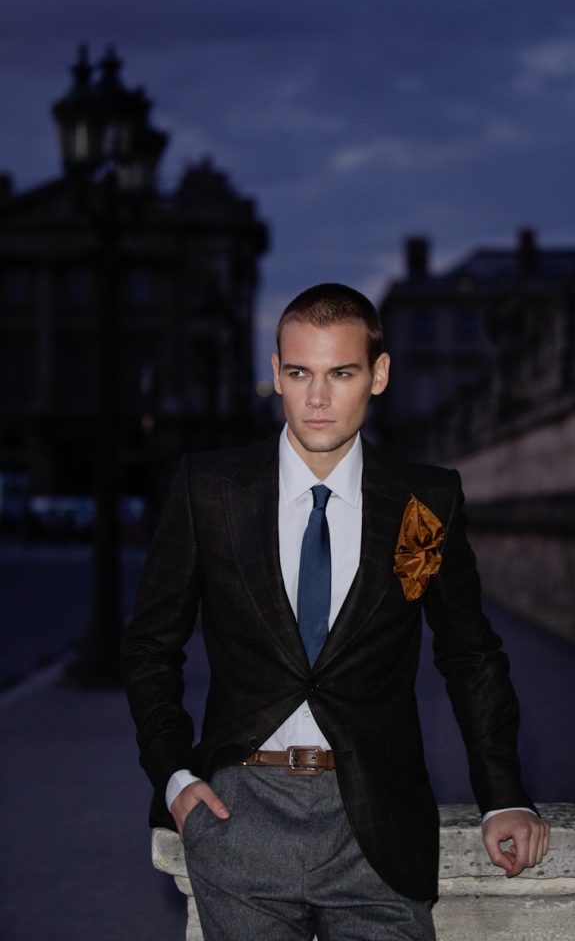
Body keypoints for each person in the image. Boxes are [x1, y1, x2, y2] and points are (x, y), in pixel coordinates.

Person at [121, 283, 549, 941]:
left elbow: (469, 654)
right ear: (276, 374)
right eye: (299, 373)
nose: (316, 398)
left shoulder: (424, 501)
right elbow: (151, 646)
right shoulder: (209, 490)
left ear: (378, 374)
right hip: (241, 811)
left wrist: (504, 795)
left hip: (377, 822)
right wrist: (175, 776)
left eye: (340, 374)